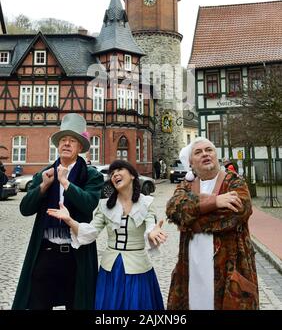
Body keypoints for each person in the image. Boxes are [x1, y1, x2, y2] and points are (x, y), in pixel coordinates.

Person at [47, 159, 167, 310]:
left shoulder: (146, 203)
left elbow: (151, 226)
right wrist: (69, 220)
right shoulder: (105, 206)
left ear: (132, 176)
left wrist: (152, 233)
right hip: (111, 269)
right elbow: (90, 232)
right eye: (112, 173)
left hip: (138, 269)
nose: (115, 174)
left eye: (120, 170)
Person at [12, 113, 104, 310]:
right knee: (38, 303)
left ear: (80, 147)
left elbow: (89, 204)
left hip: (76, 254)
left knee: (77, 303)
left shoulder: (91, 175)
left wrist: (65, 182)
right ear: (57, 145)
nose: (67, 144)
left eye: (72, 140)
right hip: (46, 252)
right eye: (63, 140)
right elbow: (25, 209)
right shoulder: (45, 173)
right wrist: (43, 187)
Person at [166, 136, 259, 310]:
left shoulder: (234, 181)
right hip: (192, 266)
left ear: (216, 156)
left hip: (230, 269)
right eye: (198, 152)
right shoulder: (186, 185)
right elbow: (174, 209)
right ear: (191, 163)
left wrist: (191, 220)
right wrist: (215, 202)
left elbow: (238, 212)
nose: (205, 154)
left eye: (209, 150)